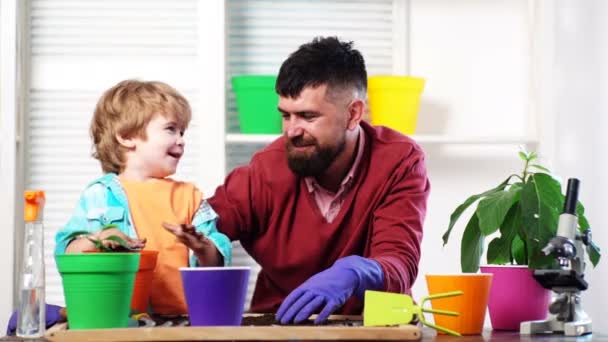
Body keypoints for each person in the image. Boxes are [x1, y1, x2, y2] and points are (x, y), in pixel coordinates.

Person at [208, 36, 430, 324]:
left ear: (353, 114)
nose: (291, 131)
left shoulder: (400, 161)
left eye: (307, 116)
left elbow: (400, 262)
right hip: (281, 326)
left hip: (371, 328)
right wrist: (201, 241)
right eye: (286, 116)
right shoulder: (266, 167)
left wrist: (358, 272)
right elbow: (201, 225)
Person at [54, 80, 232, 315]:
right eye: (171, 129)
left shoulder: (191, 197)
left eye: (182, 131)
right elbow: (67, 255)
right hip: (120, 320)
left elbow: (216, 263)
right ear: (127, 136)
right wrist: (99, 239)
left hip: (183, 320)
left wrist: (202, 247)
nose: (181, 139)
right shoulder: (99, 195)